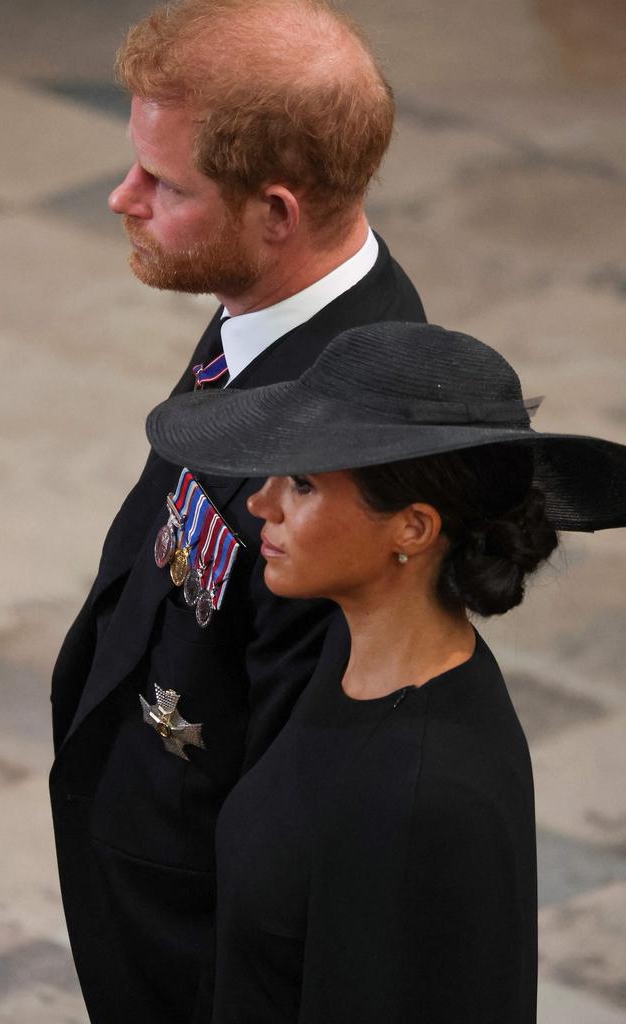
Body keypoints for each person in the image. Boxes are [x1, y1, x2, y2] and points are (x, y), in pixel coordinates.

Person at [49, 0, 425, 1020]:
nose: (123, 197)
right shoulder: (265, 307)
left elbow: (301, 824)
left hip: (203, 956)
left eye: (165, 185)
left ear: (277, 212)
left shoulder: (342, 465)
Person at [146, 320, 626, 1023]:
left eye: (303, 484)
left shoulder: (419, 796)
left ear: (413, 528)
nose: (260, 503)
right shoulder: (352, 656)